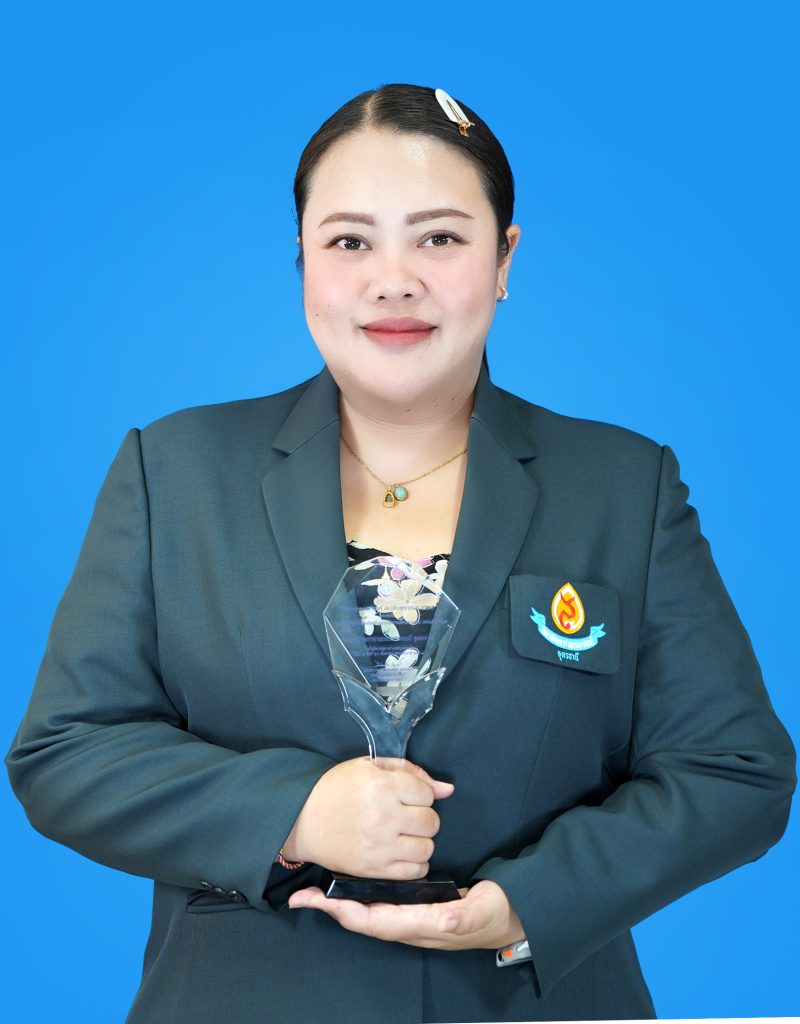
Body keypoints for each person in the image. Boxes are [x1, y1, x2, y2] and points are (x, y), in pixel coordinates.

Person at [5, 83, 795, 1024]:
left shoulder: (624, 486)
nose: (393, 280)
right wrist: (294, 811)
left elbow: (735, 771)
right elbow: (65, 751)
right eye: (349, 242)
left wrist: (527, 906)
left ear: (504, 258)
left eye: (440, 238)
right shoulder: (172, 470)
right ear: (302, 260)